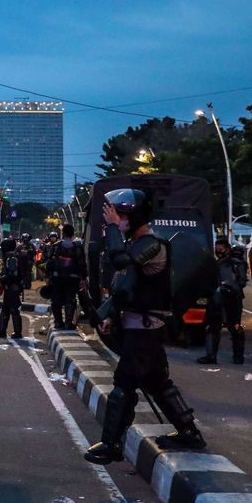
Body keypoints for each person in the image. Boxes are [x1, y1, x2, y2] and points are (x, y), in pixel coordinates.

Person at [85, 189, 205, 465]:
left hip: (146, 329)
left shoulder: (152, 244)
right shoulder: (135, 244)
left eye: (123, 214)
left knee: (124, 383)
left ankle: (111, 444)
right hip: (136, 325)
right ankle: (189, 432)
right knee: (156, 381)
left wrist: (113, 228)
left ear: (136, 215)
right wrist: (111, 315)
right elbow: (127, 288)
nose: (119, 220)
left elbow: (120, 262)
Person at [198, 237, 248, 364]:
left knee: (235, 327)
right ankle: (211, 356)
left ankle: (238, 356)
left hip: (232, 301)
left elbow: (241, 282)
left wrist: (228, 288)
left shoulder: (236, 263)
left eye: (221, 247)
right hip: (215, 300)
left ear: (227, 249)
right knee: (212, 328)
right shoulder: (213, 264)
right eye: (216, 246)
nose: (218, 249)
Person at [46, 224, 87, 330]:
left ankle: (58, 322)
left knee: (56, 299)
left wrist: (48, 276)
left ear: (62, 233)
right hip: (73, 278)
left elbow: (50, 262)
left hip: (57, 277)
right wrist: (83, 278)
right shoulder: (78, 246)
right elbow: (82, 263)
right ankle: (69, 323)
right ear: (73, 233)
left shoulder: (56, 246)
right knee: (71, 299)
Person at [0, 238, 23, 338]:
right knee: (6, 309)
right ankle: (2, 331)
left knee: (13, 309)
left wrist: (2, 279)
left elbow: (13, 274)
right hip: (10, 287)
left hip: (13, 287)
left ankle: (17, 332)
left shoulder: (11, 258)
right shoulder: (10, 257)